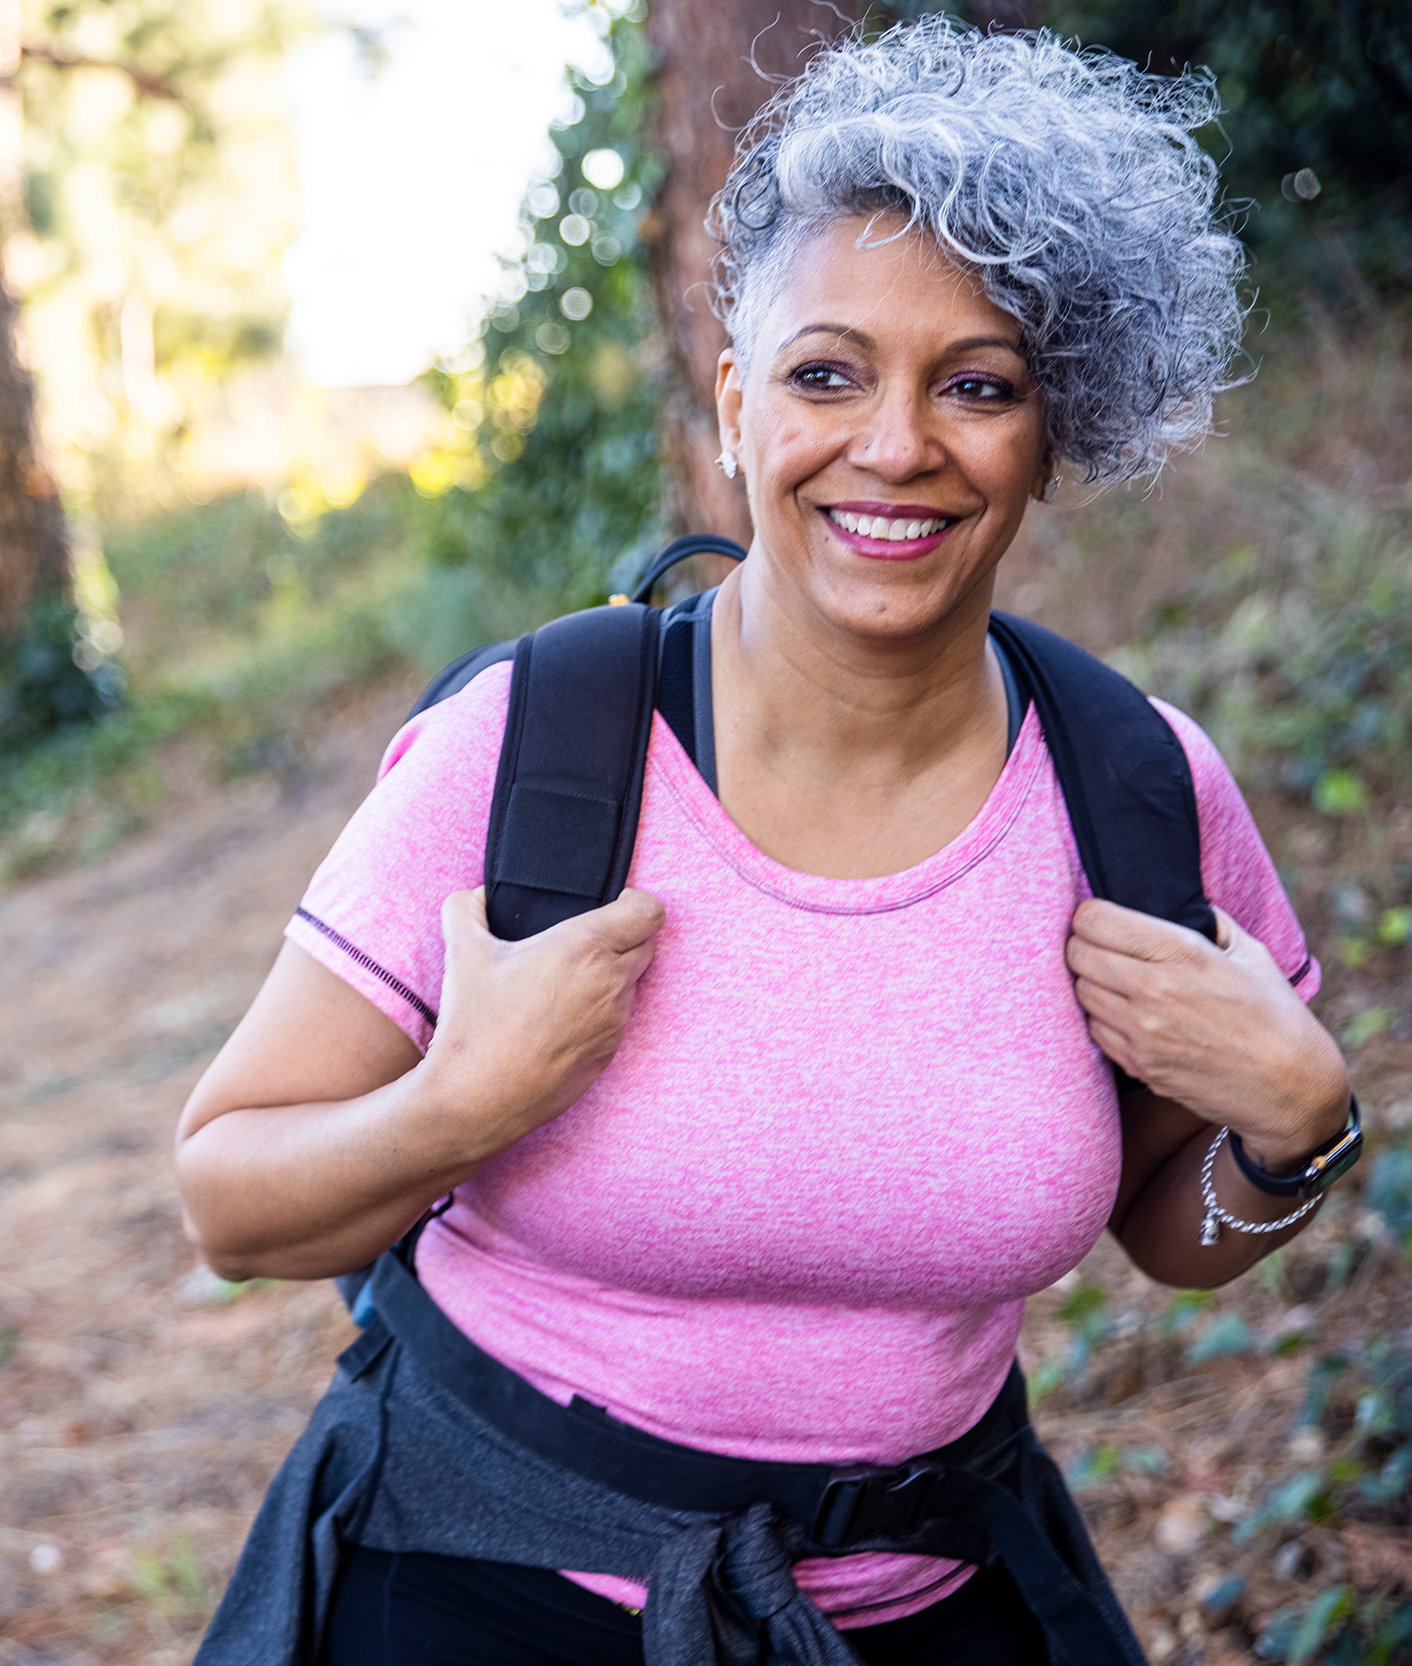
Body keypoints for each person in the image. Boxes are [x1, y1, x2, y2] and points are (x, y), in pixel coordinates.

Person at [179, 20, 1358, 1666]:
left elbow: (1177, 1227)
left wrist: (1293, 1134)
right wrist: (465, 1102)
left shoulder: (1134, 790)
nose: (895, 444)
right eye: (827, 372)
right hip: (475, 1586)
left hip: (930, 1599)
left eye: (978, 384)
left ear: (1048, 432)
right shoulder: (534, 753)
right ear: (736, 405)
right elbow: (230, 1202)